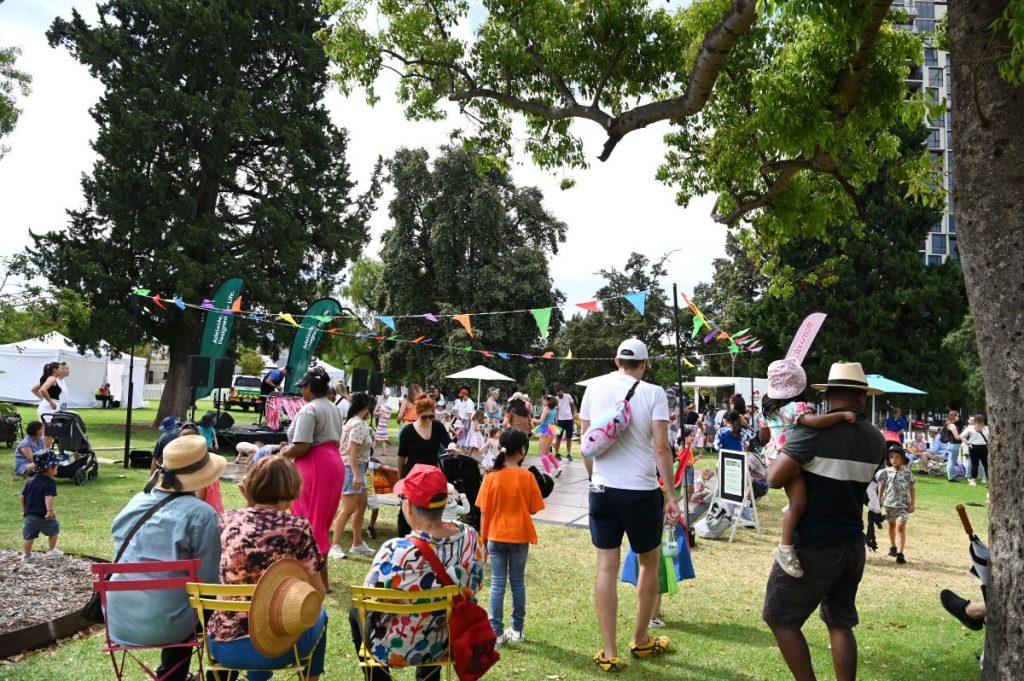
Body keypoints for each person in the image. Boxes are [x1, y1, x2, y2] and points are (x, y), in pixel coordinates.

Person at [762, 362, 886, 681]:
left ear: (828, 394)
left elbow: (774, 479)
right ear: (862, 398)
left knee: (780, 616)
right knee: (840, 622)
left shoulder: (812, 433)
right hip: (852, 544)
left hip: (814, 545)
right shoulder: (875, 438)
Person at [579, 338, 680, 671]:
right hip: (641, 491)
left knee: (606, 567)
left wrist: (596, 479)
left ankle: (609, 652)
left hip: (604, 490)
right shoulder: (654, 393)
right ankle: (639, 639)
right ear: (645, 364)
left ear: (616, 360)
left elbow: (587, 445)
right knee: (648, 564)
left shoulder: (593, 388)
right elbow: (662, 449)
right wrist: (671, 495)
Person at [350, 464, 485, 679]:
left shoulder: (395, 551)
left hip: (396, 649)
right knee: (436, 610)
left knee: (356, 611)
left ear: (410, 507)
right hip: (446, 641)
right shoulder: (470, 538)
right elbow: (477, 582)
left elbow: (369, 593)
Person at [110, 435, 224, 681]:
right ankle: (178, 676)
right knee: (215, 607)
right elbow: (209, 584)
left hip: (118, 616)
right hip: (170, 625)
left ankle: (171, 675)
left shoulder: (136, 501)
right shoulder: (204, 515)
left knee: (178, 603)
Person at [207, 456, 328, 681]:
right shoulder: (297, 529)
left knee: (259, 611)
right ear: (292, 486)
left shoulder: (227, 520)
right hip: (276, 650)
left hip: (222, 644)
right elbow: (318, 593)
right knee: (320, 614)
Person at [760, 357, 857, 579]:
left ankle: (791, 518)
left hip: (774, 457)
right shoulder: (797, 408)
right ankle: (785, 548)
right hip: (790, 458)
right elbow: (815, 423)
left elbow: (763, 435)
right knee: (799, 503)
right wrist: (840, 415)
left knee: (798, 501)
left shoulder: (768, 410)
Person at [476, 428, 544, 645]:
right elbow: (533, 509)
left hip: (495, 535)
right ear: (522, 451)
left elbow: (483, 512)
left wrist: (482, 539)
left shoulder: (489, 478)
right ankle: (517, 630)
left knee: (497, 584)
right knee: (517, 583)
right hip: (519, 536)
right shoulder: (528, 477)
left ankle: (496, 632)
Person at [279, 367, 345, 588]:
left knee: (309, 523)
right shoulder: (332, 407)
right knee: (320, 522)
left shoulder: (309, 410)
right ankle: (319, 580)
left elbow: (302, 446)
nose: (301, 393)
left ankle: (318, 581)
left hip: (315, 466)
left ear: (309, 388)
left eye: (302, 388)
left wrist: (279, 455)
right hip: (333, 463)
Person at [395, 394, 452, 537]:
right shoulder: (407, 431)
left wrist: (453, 446)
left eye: (431, 416)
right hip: (412, 476)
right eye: (424, 417)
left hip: (431, 478)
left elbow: (448, 442)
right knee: (407, 512)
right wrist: (401, 478)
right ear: (418, 414)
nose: (428, 420)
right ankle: (405, 539)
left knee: (429, 512)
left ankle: (428, 539)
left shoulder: (438, 427)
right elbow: (401, 457)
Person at [329, 392, 376, 560]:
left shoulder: (355, 422)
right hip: (352, 469)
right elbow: (351, 450)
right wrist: (356, 475)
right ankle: (335, 545)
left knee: (361, 507)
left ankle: (357, 543)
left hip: (358, 468)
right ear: (366, 406)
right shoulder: (357, 424)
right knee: (348, 509)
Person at [875, 443, 916, 564]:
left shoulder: (908, 473)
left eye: (897, 457)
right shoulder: (886, 472)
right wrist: (879, 501)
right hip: (889, 504)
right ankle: (893, 547)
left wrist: (913, 503)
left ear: (902, 459)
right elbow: (881, 486)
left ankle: (900, 553)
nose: (894, 459)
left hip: (903, 505)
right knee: (892, 525)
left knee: (900, 526)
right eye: (891, 457)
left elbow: (912, 488)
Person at [21, 450, 62, 563]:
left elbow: (22, 496)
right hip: (43, 516)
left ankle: (27, 557)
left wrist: (24, 510)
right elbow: (48, 497)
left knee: (28, 537)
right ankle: (51, 550)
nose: (57, 470)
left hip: (29, 516)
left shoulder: (30, 481)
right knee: (54, 529)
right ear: (49, 468)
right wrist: (50, 511)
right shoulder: (49, 482)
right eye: (56, 467)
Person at [31, 362, 63, 444]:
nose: (61, 370)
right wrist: (50, 401)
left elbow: (34, 389)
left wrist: (44, 398)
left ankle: (44, 451)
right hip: (49, 408)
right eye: (60, 368)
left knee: (48, 433)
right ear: (55, 370)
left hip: (48, 406)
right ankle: (43, 452)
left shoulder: (48, 379)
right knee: (48, 433)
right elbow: (42, 389)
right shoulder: (52, 379)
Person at [533, 395, 562, 477]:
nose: (542, 401)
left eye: (543, 399)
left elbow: (541, 421)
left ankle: (548, 472)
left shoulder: (546, 409)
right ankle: (557, 468)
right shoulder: (554, 410)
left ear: (547, 401)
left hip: (545, 430)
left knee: (541, 453)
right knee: (547, 452)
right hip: (552, 430)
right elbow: (555, 421)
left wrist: (532, 420)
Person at [961, 414, 990, 486]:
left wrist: (968, 443)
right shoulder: (987, 428)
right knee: (986, 464)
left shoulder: (970, 428)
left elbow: (961, 436)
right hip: (984, 447)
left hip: (973, 447)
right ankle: (989, 480)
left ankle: (973, 480)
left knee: (974, 464)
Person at [938, 410, 964, 482]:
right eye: (957, 416)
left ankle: (950, 476)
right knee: (952, 461)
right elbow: (957, 437)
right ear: (953, 416)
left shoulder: (948, 424)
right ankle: (951, 477)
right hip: (954, 444)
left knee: (950, 461)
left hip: (950, 444)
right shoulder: (952, 425)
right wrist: (963, 436)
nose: (958, 417)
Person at [553, 387, 578, 461]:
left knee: (569, 437)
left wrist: (573, 416)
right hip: (560, 420)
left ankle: (568, 454)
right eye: (559, 393)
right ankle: (556, 454)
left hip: (569, 419)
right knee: (559, 438)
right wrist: (556, 420)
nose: (560, 394)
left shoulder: (568, 396)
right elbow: (556, 410)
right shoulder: (556, 399)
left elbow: (572, 405)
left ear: (563, 392)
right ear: (557, 393)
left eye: (561, 393)